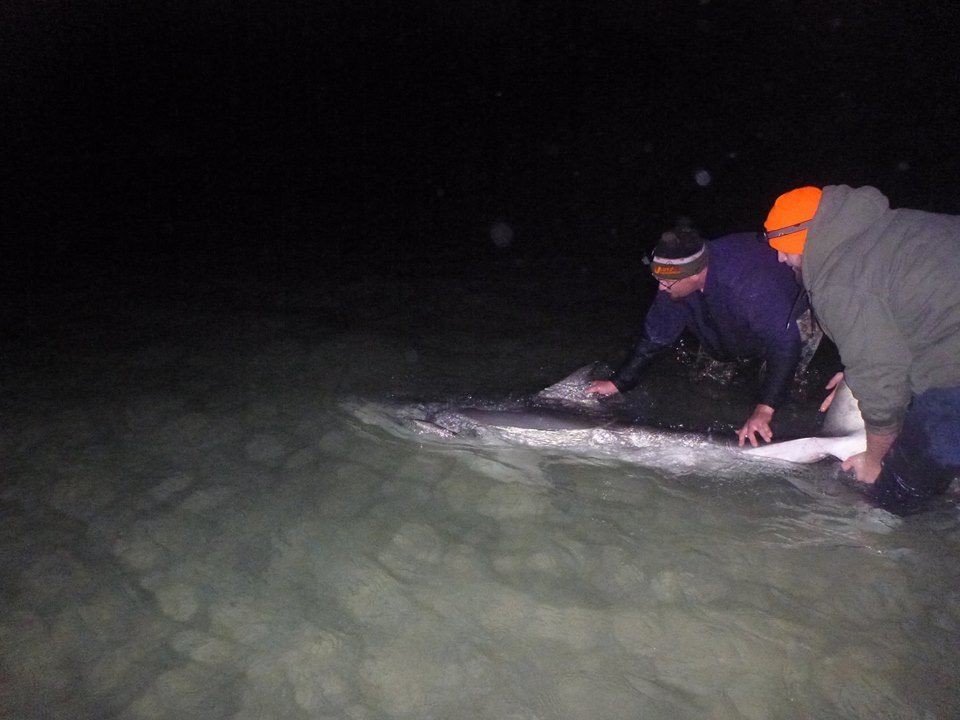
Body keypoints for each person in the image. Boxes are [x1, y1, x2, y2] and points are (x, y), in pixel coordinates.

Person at [763, 184, 960, 513]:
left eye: (782, 247)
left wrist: (874, 458)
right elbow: (911, 316)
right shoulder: (897, 228)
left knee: (890, 498)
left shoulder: (838, 279)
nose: (780, 257)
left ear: (804, 236)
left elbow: (881, 382)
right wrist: (858, 369)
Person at [587, 226, 818, 447]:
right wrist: (619, 383)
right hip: (731, 320)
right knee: (708, 385)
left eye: (667, 282)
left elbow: (785, 344)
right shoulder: (675, 284)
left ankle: (799, 437)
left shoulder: (748, 285)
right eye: (658, 280)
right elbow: (656, 337)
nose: (661, 289)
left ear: (697, 274)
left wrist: (765, 408)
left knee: (785, 388)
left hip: (789, 318)